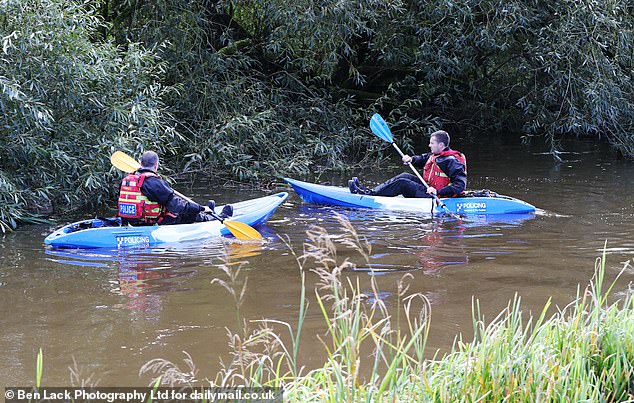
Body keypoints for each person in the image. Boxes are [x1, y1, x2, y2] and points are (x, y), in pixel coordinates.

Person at [117, 151, 232, 225]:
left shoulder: (127, 180)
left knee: (178, 209)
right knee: (185, 214)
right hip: (150, 224)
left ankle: (206, 212)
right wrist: (199, 208)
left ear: (141, 163)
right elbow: (178, 206)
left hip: (130, 222)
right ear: (156, 165)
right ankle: (213, 218)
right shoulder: (154, 182)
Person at [349, 130, 466, 198]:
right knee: (404, 175)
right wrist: (411, 159)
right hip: (430, 188)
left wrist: (438, 192)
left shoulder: (452, 161)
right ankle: (371, 192)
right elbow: (423, 158)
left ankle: (368, 195)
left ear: (441, 145)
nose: (429, 145)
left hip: (437, 195)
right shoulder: (436, 155)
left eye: (432, 143)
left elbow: (460, 185)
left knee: (402, 183)